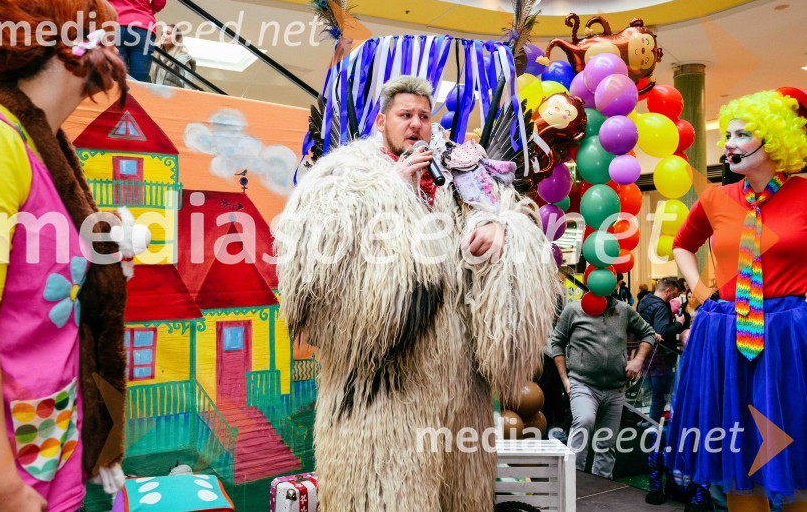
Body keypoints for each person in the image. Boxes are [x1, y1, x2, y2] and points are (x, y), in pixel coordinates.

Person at [275, 75, 560, 510]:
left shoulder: (460, 177)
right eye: (405, 115)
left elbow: (509, 215)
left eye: (424, 116)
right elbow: (313, 265)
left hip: (460, 391)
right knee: (383, 497)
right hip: (381, 394)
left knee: (461, 499)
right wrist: (392, 190)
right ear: (382, 120)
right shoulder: (343, 177)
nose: (415, 125)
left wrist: (498, 231)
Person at [0, 0, 132, 511]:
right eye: (105, 34)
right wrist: (0, 487)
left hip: (51, 437)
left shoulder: (45, 143)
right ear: (71, 49)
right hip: (8, 465)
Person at [669, 89, 807, 510]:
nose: (727, 143)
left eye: (741, 134)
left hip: (787, 337)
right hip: (726, 337)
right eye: (726, 134)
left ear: (775, 141)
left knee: (794, 445)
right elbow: (681, 245)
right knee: (736, 451)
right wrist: (701, 291)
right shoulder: (716, 199)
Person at [548, 297, 655, 478]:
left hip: (615, 387)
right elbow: (557, 342)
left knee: (606, 443)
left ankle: (601, 485)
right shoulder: (573, 310)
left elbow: (648, 333)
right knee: (584, 421)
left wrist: (638, 360)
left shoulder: (623, 309)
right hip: (582, 384)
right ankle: (575, 482)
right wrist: (565, 379)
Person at [85, 0, 166, 82]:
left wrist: (100, 8)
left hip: (116, 23)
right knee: (139, 83)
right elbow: (160, 0)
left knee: (114, 80)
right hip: (144, 29)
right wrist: (145, 14)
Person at [637, 276, 685, 423]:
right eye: (674, 294)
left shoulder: (645, 301)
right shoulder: (661, 306)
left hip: (646, 353)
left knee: (650, 393)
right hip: (660, 356)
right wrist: (679, 323)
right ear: (667, 290)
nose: (674, 298)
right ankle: (652, 424)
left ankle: (647, 421)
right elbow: (662, 331)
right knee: (659, 395)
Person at [149, 22, 196, 88]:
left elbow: (188, 85)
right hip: (156, 95)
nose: (163, 36)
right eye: (162, 34)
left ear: (176, 37)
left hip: (175, 96)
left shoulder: (183, 58)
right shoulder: (156, 57)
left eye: (168, 33)